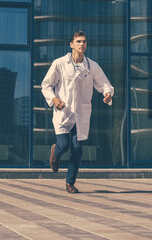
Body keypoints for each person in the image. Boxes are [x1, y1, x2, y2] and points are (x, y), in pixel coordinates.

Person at [41, 31, 114, 193]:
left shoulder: (92, 66)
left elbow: (105, 85)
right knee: (64, 145)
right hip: (63, 112)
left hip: (81, 114)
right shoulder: (59, 64)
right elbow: (46, 85)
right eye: (79, 41)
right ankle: (55, 152)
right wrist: (54, 99)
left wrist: (108, 94)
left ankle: (70, 183)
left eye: (84, 42)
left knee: (77, 149)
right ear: (71, 44)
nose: (82, 44)